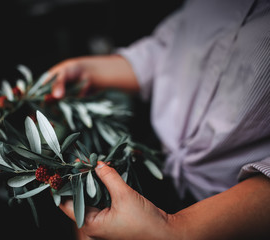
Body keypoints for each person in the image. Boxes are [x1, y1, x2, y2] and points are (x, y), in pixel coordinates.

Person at [45, 0, 270, 239]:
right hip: (158, 162)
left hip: (236, 213)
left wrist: (178, 229)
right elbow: (171, 48)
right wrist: (90, 70)